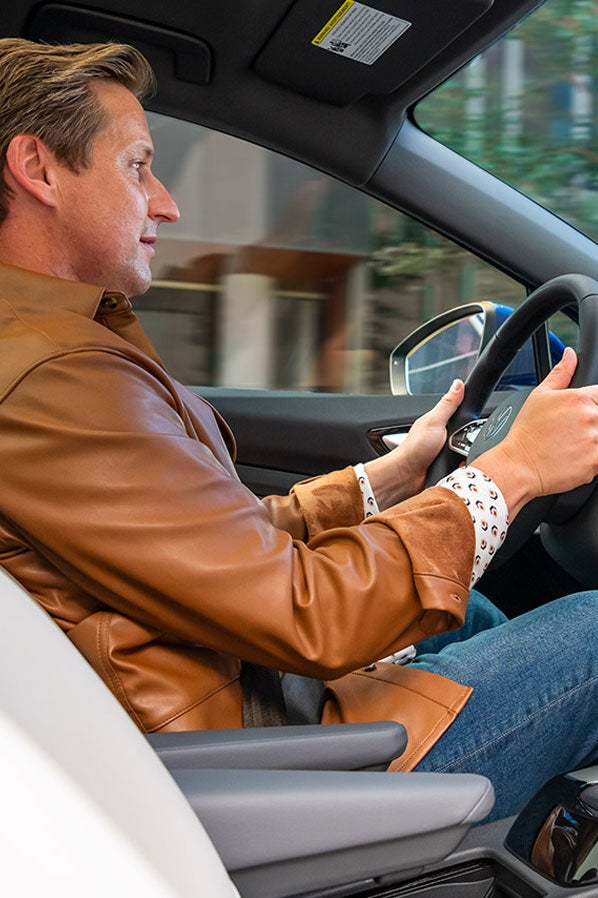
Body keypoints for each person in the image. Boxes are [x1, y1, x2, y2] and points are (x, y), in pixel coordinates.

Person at [0, 38, 595, 822]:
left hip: (258, 705)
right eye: (137, 166)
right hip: (274, 766)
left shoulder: (58, 351)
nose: (167, 203)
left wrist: (385, 480)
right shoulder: (52, 379)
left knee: (477, 611)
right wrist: (513, 470)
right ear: (37, 169)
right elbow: (303, 613)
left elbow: (210, 543)